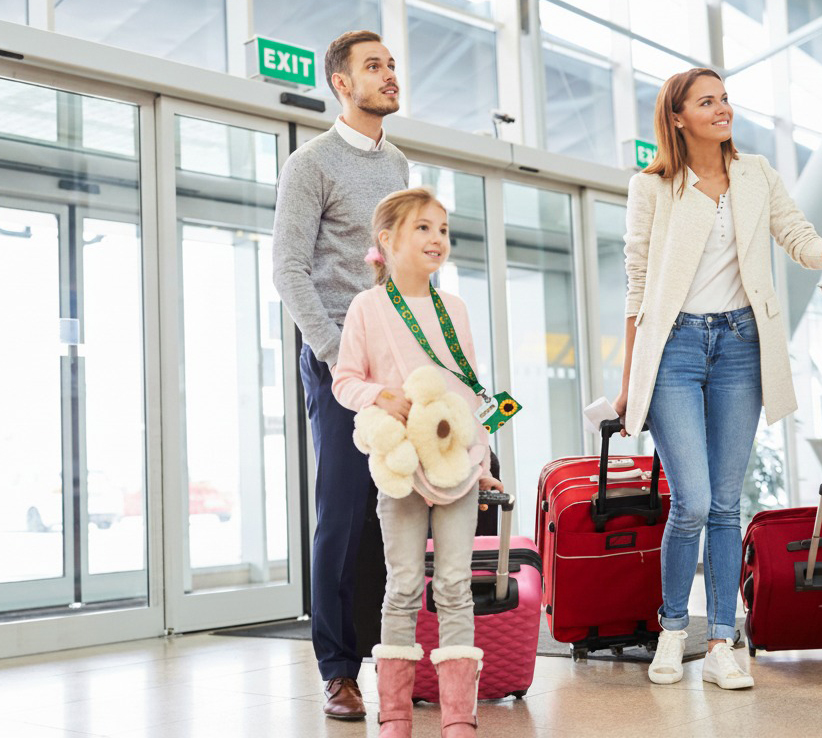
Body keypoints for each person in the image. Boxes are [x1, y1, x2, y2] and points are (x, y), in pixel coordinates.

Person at [613, 67, 822, 690]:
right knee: (694, 502)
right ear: (677, 117)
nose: (722, 108)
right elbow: (636, 285)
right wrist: (631, 379)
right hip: (673, 348)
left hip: (739, 347)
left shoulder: (757, 174)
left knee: (727, 506)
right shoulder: (652, 187)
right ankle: (675, 628)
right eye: (707, 102)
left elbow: (803, 242)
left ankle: (723, 642)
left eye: (725, 98)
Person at [272, 30, 408, 720]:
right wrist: (332, 353)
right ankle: (337, 669)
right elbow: (288, 269)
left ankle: (389, 655)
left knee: (395, 515)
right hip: (337, 361)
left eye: (391, 64)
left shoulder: (398, 165)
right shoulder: (311, 164)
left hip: (396, 365)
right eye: (374, 67)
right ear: (341, 83)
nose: (389, 75)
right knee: (346, 515)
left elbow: (399, 269)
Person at [333, 188, 502, 738]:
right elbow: (345, 382)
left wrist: (483, 462)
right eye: (423, 228)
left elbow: (469, 397)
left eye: (443, 229)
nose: (437, 239)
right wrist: (382, 395)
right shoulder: (367, 307)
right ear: (387, 240)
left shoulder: (455, 309)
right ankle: (396, 717)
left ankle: (459, 719)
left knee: (454, 585)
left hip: (457, 469)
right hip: (402, 469)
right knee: (402, 586)